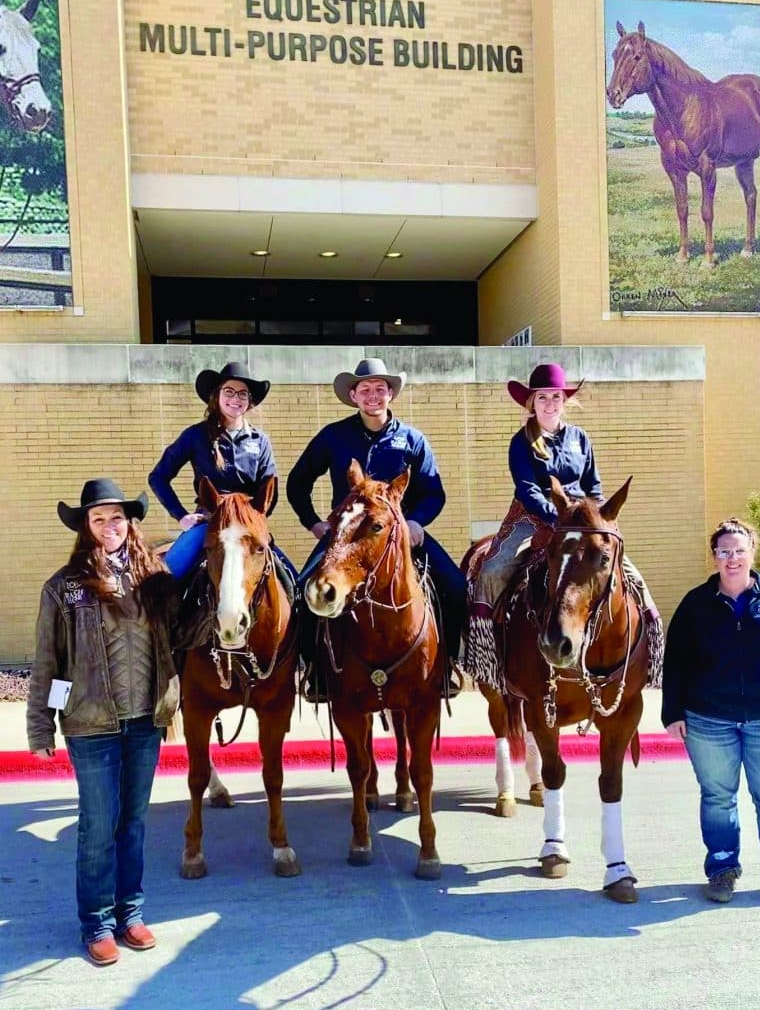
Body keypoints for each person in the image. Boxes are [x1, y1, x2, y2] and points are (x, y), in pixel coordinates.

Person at [26, 479, 180, 966]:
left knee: (133, 823)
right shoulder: (64, 587)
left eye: (117, 517)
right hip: (90, 725)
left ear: (129, 523)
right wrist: (41, 725)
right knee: (98, 826)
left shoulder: (154, 578)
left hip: (145, 723)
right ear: (86, 527)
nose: (110, 525)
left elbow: (182, 635)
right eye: (99, 518)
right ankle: (96, 922)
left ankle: (130, 914)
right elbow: (48, 662)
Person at [465, 362, 661, 685]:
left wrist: (595, 517)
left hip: (582, 521)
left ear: (564, 400)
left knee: (627, 571)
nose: (550, 403)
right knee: (493, 569)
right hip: (533, 516)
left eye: (556, 396)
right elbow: (527, 489)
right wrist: (556, 517)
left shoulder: (579, 438)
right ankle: (484, 648)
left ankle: (652, 637)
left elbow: (593, 486)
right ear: (532, 402)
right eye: (542, 397)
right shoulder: (521, 441)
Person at [286, 357, 466, 702]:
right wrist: (314, 523)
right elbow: (297, 483)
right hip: (347, 537)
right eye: (365, 389)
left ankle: (446, 666)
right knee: (302, 593)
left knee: (456, 588)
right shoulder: (333, 437)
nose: (373, 395)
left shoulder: (412, 439)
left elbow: (434, 492)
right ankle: (317, 672)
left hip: (400, 534)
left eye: (380, 389)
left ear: (391, 394)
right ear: (353, 395)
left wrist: (416, 522)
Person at [662, 517, 760, 913]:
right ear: (714, 556)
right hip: (708, 720)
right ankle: (722, 870)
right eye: (724, 551)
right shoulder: (696, 604)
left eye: (739, 550)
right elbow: (675, 660)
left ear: (752, 553)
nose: (732, 558)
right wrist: (673, 711)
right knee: (718, 798)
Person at [148, 360, 295, 583]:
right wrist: (181, 516)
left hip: (247, 521)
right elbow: (158, 477)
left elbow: (269, 489)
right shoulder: (195, 435)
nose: (236, 399)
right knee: (164, 581)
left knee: (292, 581)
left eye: (243, 394)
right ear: (217, 395)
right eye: (229, 391)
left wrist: (255, 519)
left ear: (249, 401)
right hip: (209, 522)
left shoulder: (260, 441)